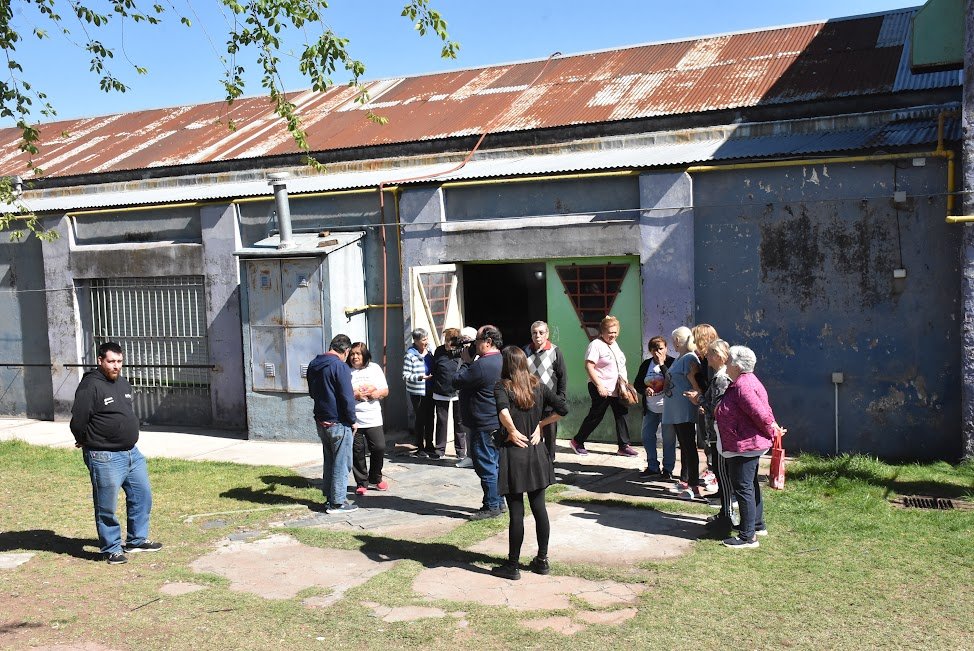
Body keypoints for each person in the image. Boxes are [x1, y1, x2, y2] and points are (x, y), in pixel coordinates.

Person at [70, 342, 162, 565]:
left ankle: (137, 540)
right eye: (111, 361)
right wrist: (84, 440)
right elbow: (78, 419)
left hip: (132, 454)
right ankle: (111, 548)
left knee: (142, 496)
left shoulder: (122, 383)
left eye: (119, 362)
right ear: (100, 360)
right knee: (106, 505)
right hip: (104, 456)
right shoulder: (90, 386)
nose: (116, 366)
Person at [490, 346, 568, 580]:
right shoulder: (538, 385)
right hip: (536, 454)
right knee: (539, 508)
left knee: (516, 512)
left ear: (506, 364)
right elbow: (563, 409)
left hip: (515, 454)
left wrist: (512, 430)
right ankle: (542, 560)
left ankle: (512, 566)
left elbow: (503, 411)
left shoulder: (503, 386)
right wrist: (540, 425)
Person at [714, 345, 786, 548]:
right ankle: (756, 525)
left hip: (745, 444)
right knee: (750, 484)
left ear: (737, 365)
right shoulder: (746, 381)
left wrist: (772, 428)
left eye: (729, 361)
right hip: (745, 442)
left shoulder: (743, 385)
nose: (726, 364)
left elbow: (760, 412)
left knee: (743, 486)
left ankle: (748, 536)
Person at [452, 324, 505, 520]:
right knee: (494, 463)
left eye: (477, 342)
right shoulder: (500, 360)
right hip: (493, 421)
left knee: (485, 464)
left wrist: (465, 361)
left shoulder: (482, 365)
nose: (474, 346)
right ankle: (499, 501)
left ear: (488, 342)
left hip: (482, 423)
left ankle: (491, 505)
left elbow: (456, 381)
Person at [569, 315, 638, 457]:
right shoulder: (596, 345)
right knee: (596, 415)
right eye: (609, 332)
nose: (612, 335)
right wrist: (599, 385)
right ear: (602, 332)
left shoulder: (615, 345)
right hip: (601, 387)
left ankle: (624, 445)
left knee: (621, 414)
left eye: (615, 332)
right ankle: (577, 441)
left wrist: (625, 384)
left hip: (617, 389)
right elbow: (589, 366)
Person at [308, 334, 359, 514]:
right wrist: (353, 420)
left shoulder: (314, 364)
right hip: (338, 421)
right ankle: (337, 502)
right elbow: (347, 397)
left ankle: (331, 497)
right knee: (342, 462)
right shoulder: (340, 367)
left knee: (330, 459)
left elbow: (312, 392)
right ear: (346, 351)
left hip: (321, 419)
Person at [686, 339, 733, 532]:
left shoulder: (722, 379)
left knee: (723, 473)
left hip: (718, 432)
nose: (707, 357)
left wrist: (699, 399)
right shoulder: (718, 376)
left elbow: (718, 407)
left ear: (719, 356)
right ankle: (724, 512)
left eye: (711, 354)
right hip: (715, 431)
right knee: (720, 472)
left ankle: (726, 514)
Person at [663, 326, 703, 499]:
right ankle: (685, 479)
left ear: (678, 340)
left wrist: (699, 399)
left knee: (689, 446)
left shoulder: (689, 358)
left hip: (684, 409)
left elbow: (695, 383)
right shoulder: (681, 357)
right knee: (684, 445)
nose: (674, 344)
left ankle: (693, 484)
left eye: (674, 340)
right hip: (676, 409)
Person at [348, 342, 389, 495]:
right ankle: (361, 482)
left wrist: (375, 393)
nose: (355, 357)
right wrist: (355, 394)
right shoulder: (346, 371)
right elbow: (343, 393)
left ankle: (376, 477)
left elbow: (385, 390)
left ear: (365, 355)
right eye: (352, 354)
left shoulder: (374, 368)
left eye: (358, 354)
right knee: (357, 450)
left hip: (373, 416)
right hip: (354, 417)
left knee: (379, 447)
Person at [523, 320, 567, 460]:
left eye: (541, 332)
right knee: (531, 432)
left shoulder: (555, 351)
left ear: (547, 334)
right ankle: (534, 461)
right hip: (530, 399)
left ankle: (550, 461)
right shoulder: (525, 351)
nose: (538, 336)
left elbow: (562, 376)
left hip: (549, 400)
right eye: (534, 333)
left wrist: (561, 397)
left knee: (549, 433)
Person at [632, 336, 676, 478]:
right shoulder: (646, 364)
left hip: (667, 408)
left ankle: (668, 469)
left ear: (666, 349)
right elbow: (637, 383)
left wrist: (662, 364)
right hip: (650, 408)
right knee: (647, 436)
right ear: (650, 351)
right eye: (655, 349)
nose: (658, 352)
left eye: (661, 349)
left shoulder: (671, 362)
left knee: (668, 439)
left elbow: (672, 381)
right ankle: (652, 466)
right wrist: (645, 389)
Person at [431, 327, 468, 464]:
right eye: (446, 340)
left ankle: (460, 451)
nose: (447, 344)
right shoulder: (439, 351)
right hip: (441, 390)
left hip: (459, 391)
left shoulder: (462, 352)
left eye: (450, 341)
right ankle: (439, 450)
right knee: (441, 421)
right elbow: (435, 369)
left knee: (459, 422)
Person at [403, 328, 434, 456]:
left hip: (430, 390)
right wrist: (419, 377)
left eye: (427, 338)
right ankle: (420, 446)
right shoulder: (410, 355)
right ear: (415, 341)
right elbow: (405, 375)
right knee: (420, 419)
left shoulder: (430, 352)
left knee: (430, 418)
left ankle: (430, 444)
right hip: (417, 392)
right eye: (423, 339)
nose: (426, 341)